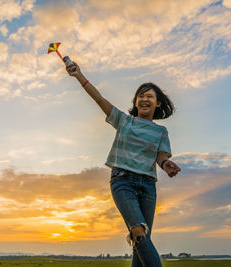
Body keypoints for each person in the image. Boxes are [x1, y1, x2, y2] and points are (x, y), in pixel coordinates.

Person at [66, 62, 181, 267]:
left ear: (158, 104)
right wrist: (79, 75)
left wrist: (167, 165)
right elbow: (99, 99)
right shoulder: (124, 121)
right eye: (141, 96)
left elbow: (161, 157)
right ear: (136, 102)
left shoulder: (161, 132)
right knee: (138, 229)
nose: (145, 99)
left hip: (148, 186)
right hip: (123, 181)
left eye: (150, 96)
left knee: (142, 240)